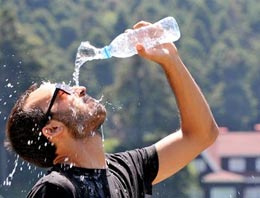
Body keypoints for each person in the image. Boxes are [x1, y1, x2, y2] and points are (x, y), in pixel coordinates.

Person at [5, 20, 219, 198]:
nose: (79, 89)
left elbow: (201, 134)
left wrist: (171, 60)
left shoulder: (125, 169)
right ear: (52, 130)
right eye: (62, 92)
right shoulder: (55, 189)